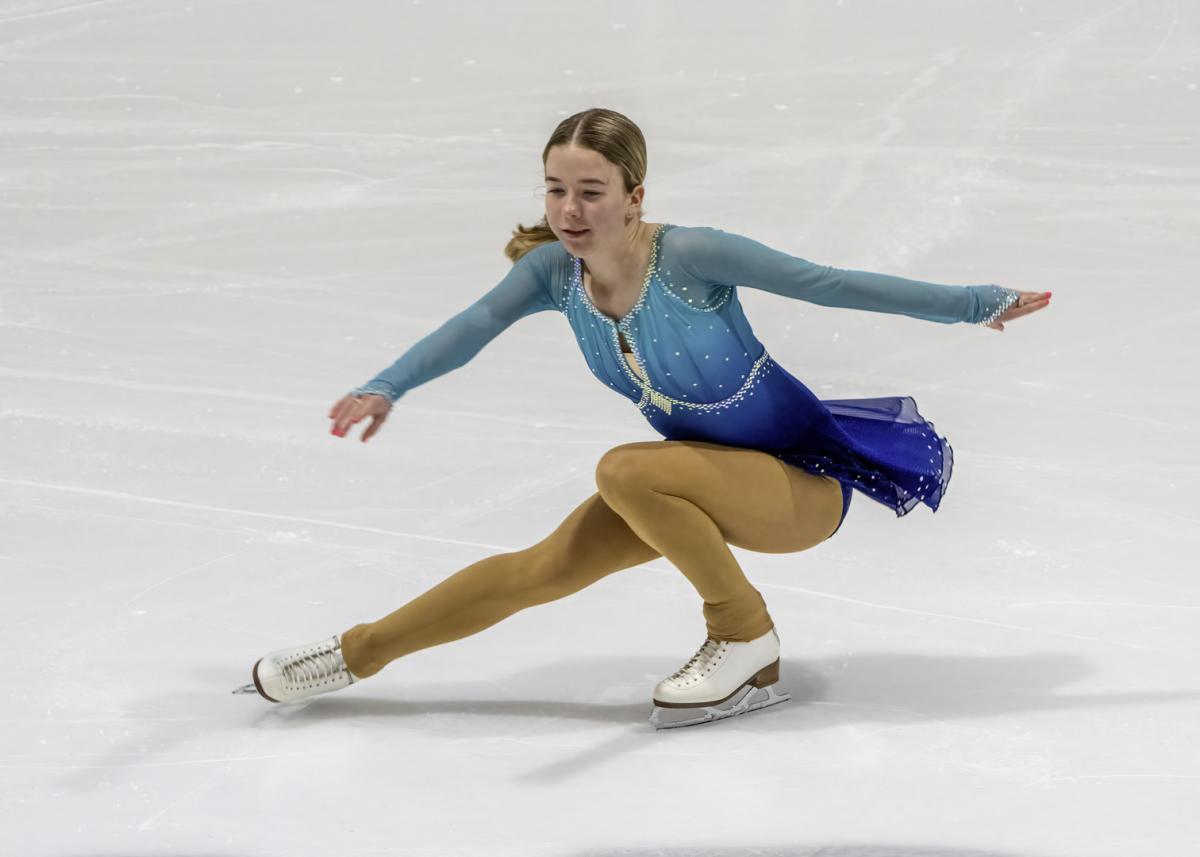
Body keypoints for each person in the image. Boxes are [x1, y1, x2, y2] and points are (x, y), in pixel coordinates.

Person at [233, 108, 1050, 729]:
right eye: (556, 189)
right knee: (539, 568)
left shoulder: (691, 255)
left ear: (634, 196)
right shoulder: (555, 272)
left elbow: (829, 283)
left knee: (625, 468)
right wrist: (388, 385)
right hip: (691, 478)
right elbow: (473, 326)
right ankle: (352, 653)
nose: (569, 209)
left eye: (591, 191)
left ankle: (744, 633)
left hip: (803, 484)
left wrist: (976, 304)